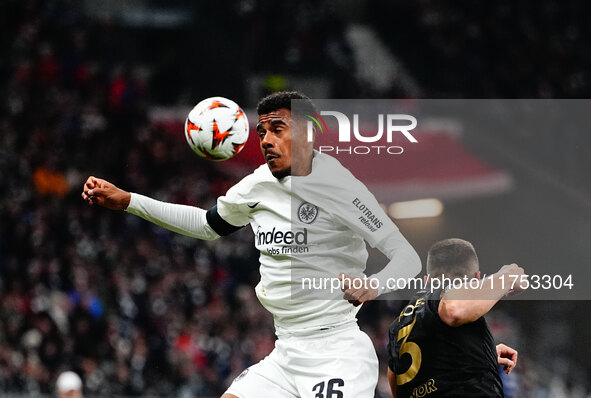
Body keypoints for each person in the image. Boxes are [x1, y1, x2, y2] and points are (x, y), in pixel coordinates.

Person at [81, 91, 421, 397]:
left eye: (277, 129)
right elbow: (206, 225)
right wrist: (129, 201)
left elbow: (408, 258)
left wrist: (373, 286)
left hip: (337, 351)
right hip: (286, 352)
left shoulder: (341, 187)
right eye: (261, 132)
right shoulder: (256, 185)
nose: (266, 140)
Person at [387, 238, 523, 398]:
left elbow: (395, 375)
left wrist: (479, 353)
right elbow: (454, 310)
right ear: (476, 279)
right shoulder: (446, 296)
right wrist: (508, 276)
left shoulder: (400, 324)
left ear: (427, 281)